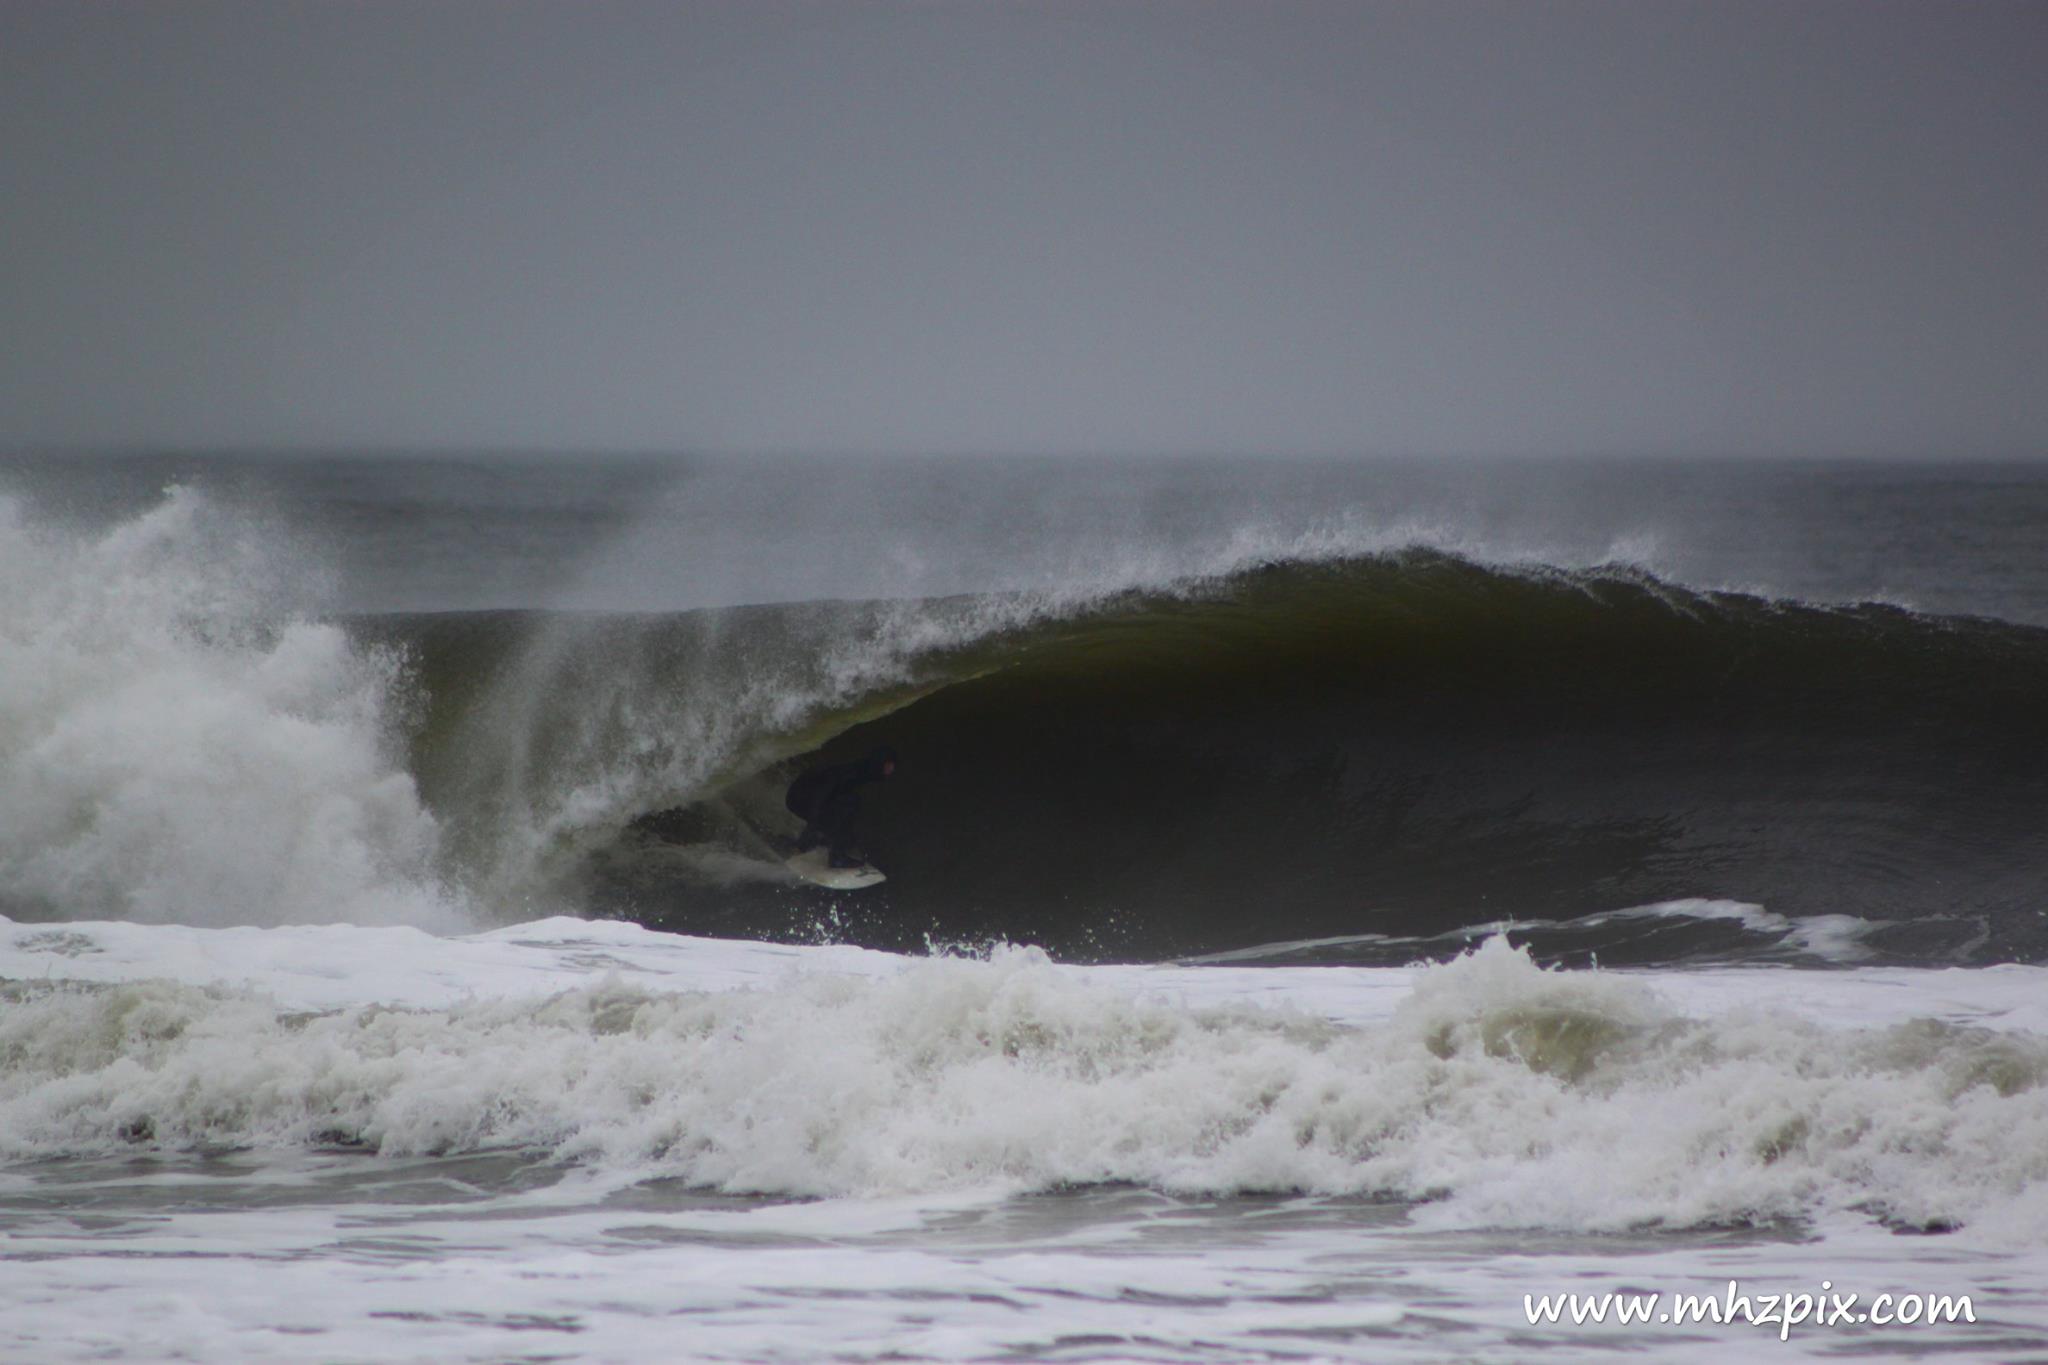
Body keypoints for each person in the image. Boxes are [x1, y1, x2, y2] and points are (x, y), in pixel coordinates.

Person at [785, 746, 897, 868]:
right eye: (889, 764)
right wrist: (809, 833)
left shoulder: (862, 769)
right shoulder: (852, 772)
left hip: (804, 795)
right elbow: (820, 798)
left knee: (845, 809)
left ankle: (813, 841)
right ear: (879, 763)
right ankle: (836, 858)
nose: (892, 769)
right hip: (798, 797)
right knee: (850, 802)